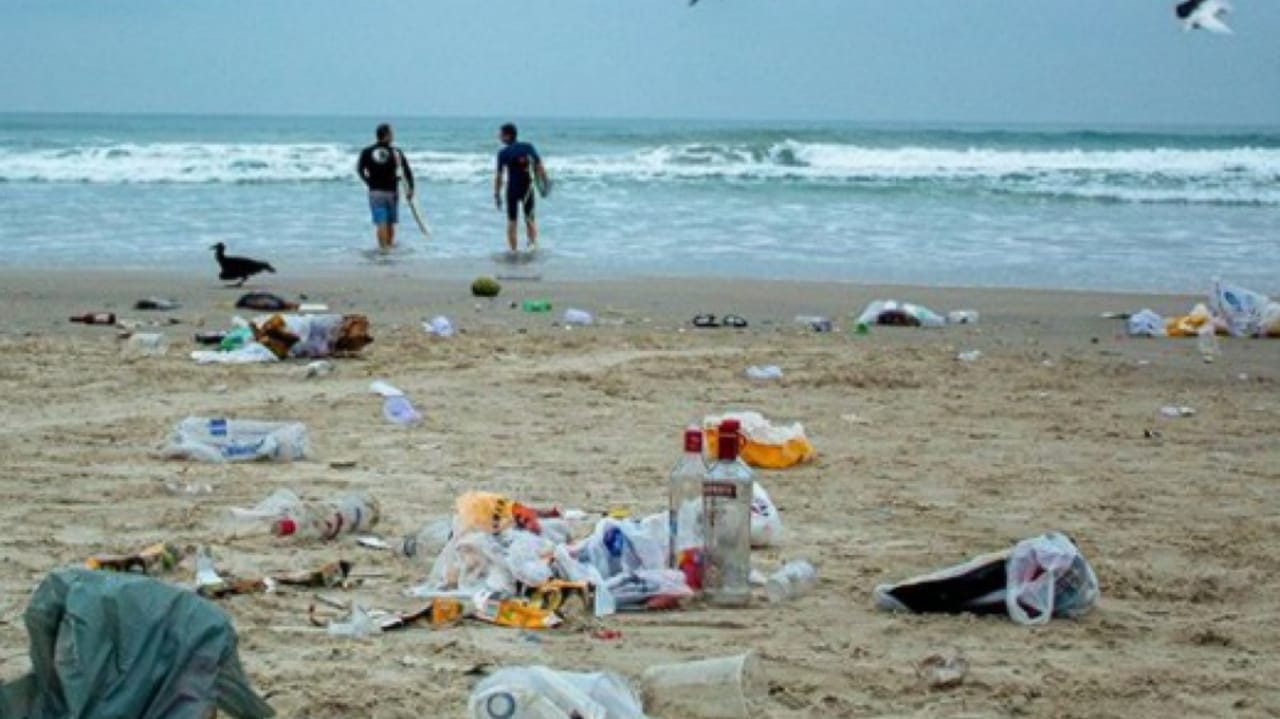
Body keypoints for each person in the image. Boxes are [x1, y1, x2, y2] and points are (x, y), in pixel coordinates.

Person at [356, 123, 415, 253]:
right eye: (391, 133)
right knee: (390, 223)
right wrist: (411, 188)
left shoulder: (367, 151)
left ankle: (383, 250)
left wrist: (368, 182)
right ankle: (387, 248)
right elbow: (407, 171)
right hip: (391, 192)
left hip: (375, 192)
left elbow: (359, 169)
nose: (393, 136)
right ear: (387, 135)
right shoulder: (396, 152)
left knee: (380, 222)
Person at [493, 123, 547, 253]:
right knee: (530, 219)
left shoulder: (503, 153)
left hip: (512, 189)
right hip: (527, 188)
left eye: (500, 134)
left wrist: (496, 193)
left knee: (512, 221)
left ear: (508, 136)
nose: (499, 137)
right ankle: (532, 247)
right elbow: (539, 167)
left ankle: (513, 251)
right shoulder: (528, 147)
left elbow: (499, 176)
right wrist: (545, 183)